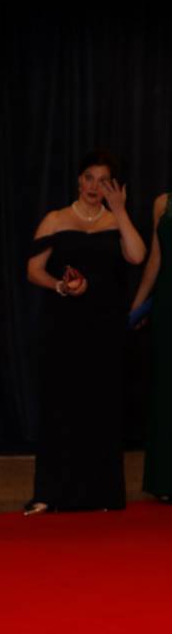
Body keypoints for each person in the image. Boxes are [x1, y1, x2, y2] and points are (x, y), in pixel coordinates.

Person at [25, 149, 146, 514]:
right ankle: (50, 493)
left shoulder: (116, 220)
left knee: (102, 410)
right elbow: (33, 270)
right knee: (60, 408)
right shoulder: (56, 219)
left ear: (114, 186)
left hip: (106, 331)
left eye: (104, 180)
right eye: (90, 178)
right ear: (79, 180)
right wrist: (61, 286)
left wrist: (121, 210)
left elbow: (137, 256)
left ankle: (102, 495)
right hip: (64, 328)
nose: (95, 186)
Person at [130, 193, 172, 501]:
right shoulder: (162, 203)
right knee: (166, 391)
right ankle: (165, 482)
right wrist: (138, 305)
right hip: (168, 306)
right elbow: (156, 259)